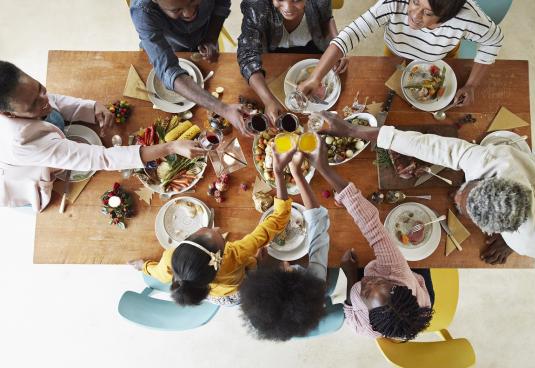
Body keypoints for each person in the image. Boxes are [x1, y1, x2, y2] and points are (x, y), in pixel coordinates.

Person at [315, 110, 535, 264]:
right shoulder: (499, 161)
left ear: (492, 230)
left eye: (461, 208)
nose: (456, 196)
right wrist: (353, 130)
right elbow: (435, 148)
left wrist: (510, 244)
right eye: (466, 187)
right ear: (490, 180)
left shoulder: (534, 242)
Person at [0, 61, 205, 211]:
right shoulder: (23, 142)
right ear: (9, 114)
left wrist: (92, 107)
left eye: (40, 88)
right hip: (26, 174)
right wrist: (170, 147)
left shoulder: (27, 95)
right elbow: (103, 158)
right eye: (33, 104)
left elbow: (55, 101)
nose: (44, 100)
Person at [132, 145, 296, 306]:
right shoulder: (235, 254)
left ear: (187, 239)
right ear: (223, 254)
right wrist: (279, 174)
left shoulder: (170, 260)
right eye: (221, 238)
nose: (217, 228)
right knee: (251, 266)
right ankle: (254, 265)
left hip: (217, 296)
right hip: (237, 289)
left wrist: (143, 266)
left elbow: (160, 273)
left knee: (247, 264)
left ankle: (253, 264)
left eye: (210, 230)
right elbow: (277, 220)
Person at [304, 136, 433, 340]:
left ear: (369, 314)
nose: (369, 281)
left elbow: (349, 310)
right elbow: (372, 225)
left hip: (397, 313)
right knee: (420, 259)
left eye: (365, 290)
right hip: (418, 293)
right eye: (377, 282)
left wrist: (352, 276)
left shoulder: (365, 327)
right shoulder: (397, 271)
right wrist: (324, 168)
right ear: (394, 283)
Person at [299, 0, 504, 107]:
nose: (414, 16)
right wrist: (316, 77)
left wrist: (471, 85)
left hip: (442, 57)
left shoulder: (469, 18)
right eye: (415, 2)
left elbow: (493, 40)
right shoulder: (396, 1)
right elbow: (352, 32)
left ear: (447, 17)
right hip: (396, 52)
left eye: (428, 13)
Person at [239, 152, 330, 341]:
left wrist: (255, 261)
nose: (286, 263)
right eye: (288, 269)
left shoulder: (256, 297)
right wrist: (296, 173)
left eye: (281, 269)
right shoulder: (315, 285)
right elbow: (318, 224)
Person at [129, 0, 251, 135]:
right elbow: (168, 70)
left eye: (194, 1)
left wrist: (211, 37)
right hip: (167, 46)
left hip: (205, 34)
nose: (190, 14)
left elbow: (221, 4)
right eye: (176, 10)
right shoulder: (142, 11)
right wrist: (223, 109)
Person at [237, 0, 348, 124]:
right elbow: (247, 55)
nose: (288, 8)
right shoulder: (255, 3)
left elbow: (327, 19)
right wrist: (268, 100)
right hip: (273, 52)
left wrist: (338, 45)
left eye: (296, 0)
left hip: (314, 46)